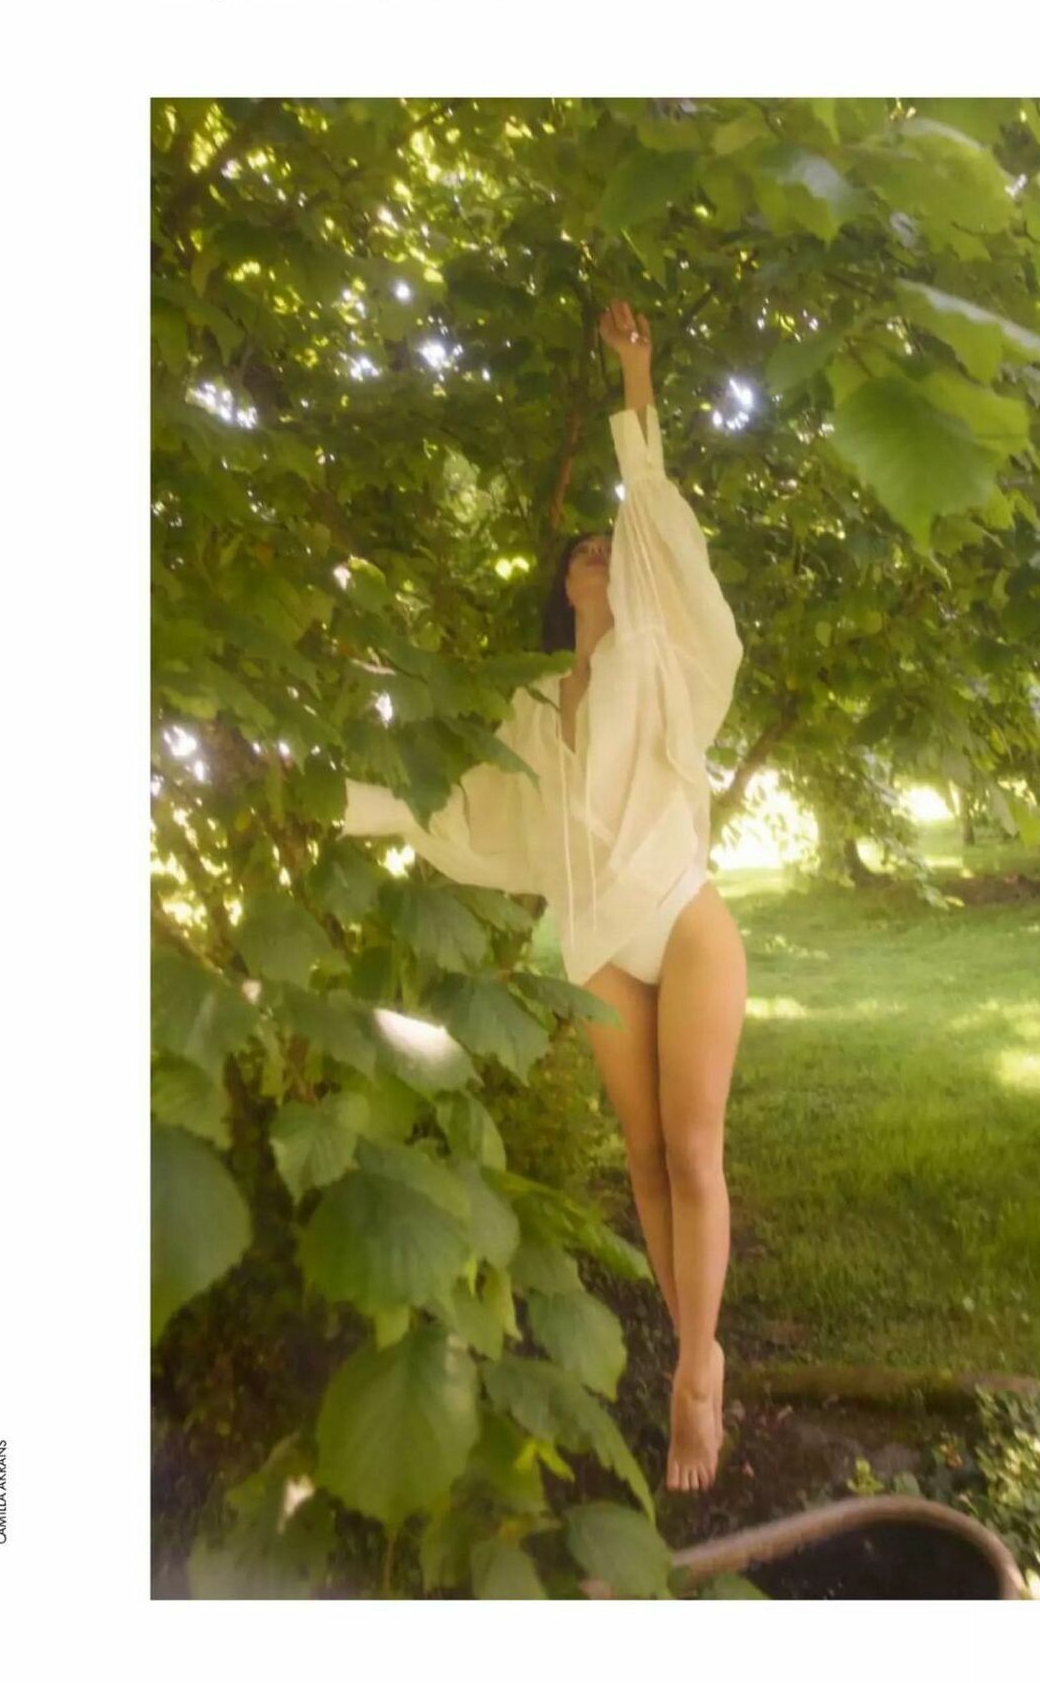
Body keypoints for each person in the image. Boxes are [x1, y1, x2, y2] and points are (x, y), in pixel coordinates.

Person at [340, 298, 748, 1492]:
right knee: (643, 1159)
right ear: (560, 585)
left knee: (693, 1146)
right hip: (597, 941)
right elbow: (454, 806)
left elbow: (656, 519)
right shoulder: (527, 711)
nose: (597, 553)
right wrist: (335, 795)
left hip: (680, 915)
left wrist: (635, 380)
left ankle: (697, 1371)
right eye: (579, 549)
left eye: (606, 547)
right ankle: (692, 1337)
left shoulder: (653, 658)